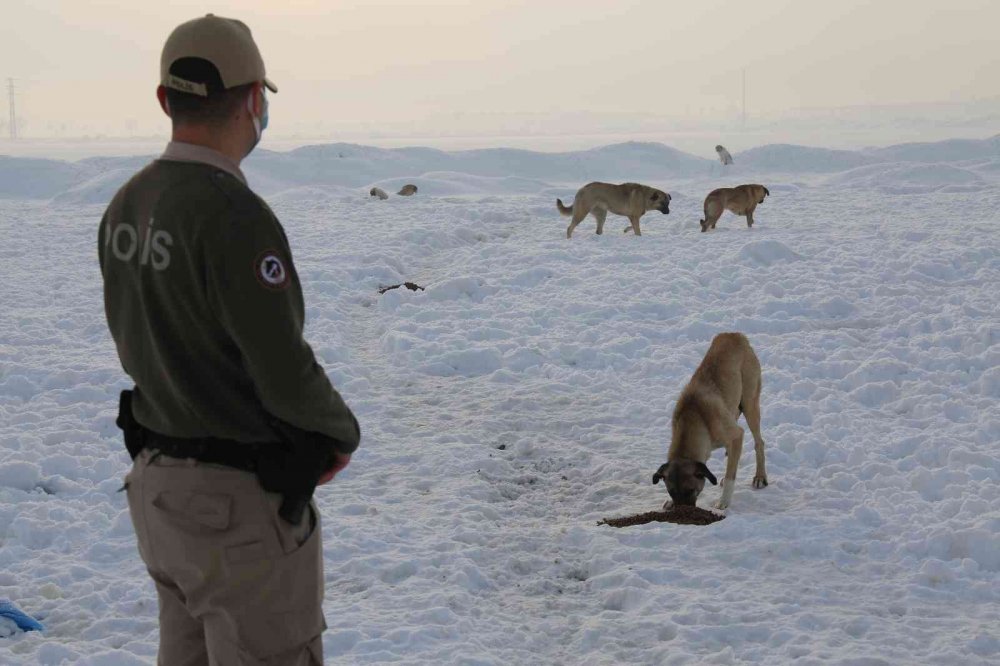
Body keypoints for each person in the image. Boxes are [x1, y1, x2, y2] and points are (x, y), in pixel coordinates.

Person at [98, 14, 360, 664]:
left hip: (161, 498)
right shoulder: (233, 216)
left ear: (165, 99)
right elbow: (281, 367)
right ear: (252, 100)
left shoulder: (127, 205)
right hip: (235, 513)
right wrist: (338, 433)